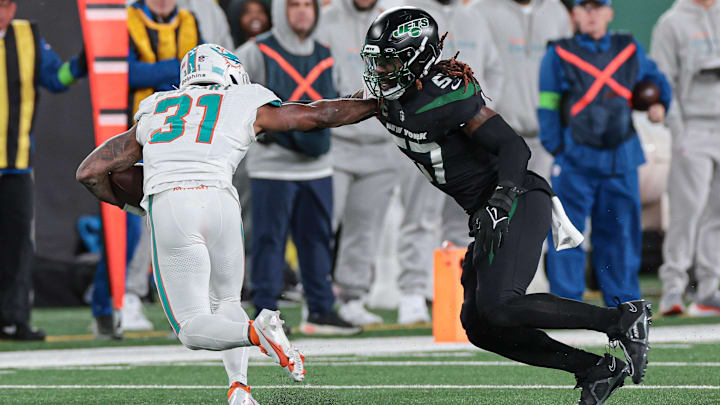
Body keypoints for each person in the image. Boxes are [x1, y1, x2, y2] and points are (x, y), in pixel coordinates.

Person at [360, 7, 652, 404]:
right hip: (484, 209)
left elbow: (515, 146)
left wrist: (501, 199)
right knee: (479, 325)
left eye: (389, 61)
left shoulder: (446, 96)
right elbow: (327, 112)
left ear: (416, 58)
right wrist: (270, 113)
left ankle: (621, 319)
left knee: (500, 305)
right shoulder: (388, 101)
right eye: (377, 62)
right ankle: (595, 369)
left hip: (515, 197)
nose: (380, 71)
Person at [76, 43, 378, 405]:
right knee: (227, 300)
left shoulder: (157, 106)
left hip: (173, 202)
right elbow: (318, 115)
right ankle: (240, 388)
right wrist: (378, 102)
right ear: (229, 71)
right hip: (221, 201)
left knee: (190, 328)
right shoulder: (243, 100)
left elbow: (90, 172)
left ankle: (257, 332)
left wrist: (136, 204)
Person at [237, 0, 360, 335]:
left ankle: (320, 310)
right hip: (271, 167)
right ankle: (265, 313)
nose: (302, 11)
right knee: (268, 241)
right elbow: (235, 100)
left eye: (308, 4)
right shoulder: (255, 51)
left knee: (318, 239)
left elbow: (340, 97)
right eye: (294, 4)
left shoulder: (326, 52)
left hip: (318, 164)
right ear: (280, 10)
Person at [538, 0, 672, 306]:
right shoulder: (557, 54)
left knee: (620, 236)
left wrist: (658, 103)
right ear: (573, 15)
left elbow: (657, 82)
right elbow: (547, 107)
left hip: (621, 158)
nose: (591, 14)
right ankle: (565, 305)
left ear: (609, 12)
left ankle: (624, 305)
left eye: (597, 7)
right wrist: (560, 150)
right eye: (583, 8)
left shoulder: (628, 47)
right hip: (576, 160)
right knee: (565, 236)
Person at [0, 0, 87, 341]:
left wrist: (83, 62)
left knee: (18, 246)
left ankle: (14, 319)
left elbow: (56, 78)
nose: (2, 12)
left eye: (6, 5)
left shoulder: (27, 37)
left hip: (16, 165)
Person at [315, 0, 401, 326]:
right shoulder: (325, 19)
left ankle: (353, 297)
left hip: (382, 142)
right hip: (336, 141)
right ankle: (318, 298)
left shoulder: (395, 19)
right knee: (323, 224)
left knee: (365, 229)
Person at [477, 0, 572, 293]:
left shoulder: (557, 11)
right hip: (499, 137)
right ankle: (479, 284)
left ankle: (533, 277)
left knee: (538, 209)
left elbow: (567, 71)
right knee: (489, 209)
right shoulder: (483, 11)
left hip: (542, 133)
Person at [651, 0, 720, 316]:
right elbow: (664, 79)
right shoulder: (671, 22)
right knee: (686, 211)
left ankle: (709, 291)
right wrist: (677, 130)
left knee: (717, 213)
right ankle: (674, 290)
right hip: (692, 126)